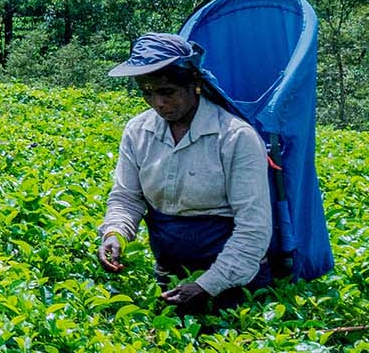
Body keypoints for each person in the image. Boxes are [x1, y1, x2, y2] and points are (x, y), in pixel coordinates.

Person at [98, 33, 273, 316]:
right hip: (171, 279)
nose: (158, 103)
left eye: (167, 92)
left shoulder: (235, 137)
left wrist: (207, 285)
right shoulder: (138, 131)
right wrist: (115, 233)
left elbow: (253, 230)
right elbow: (127, 198)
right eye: (147, 93)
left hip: (234, 283)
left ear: (194, 85)